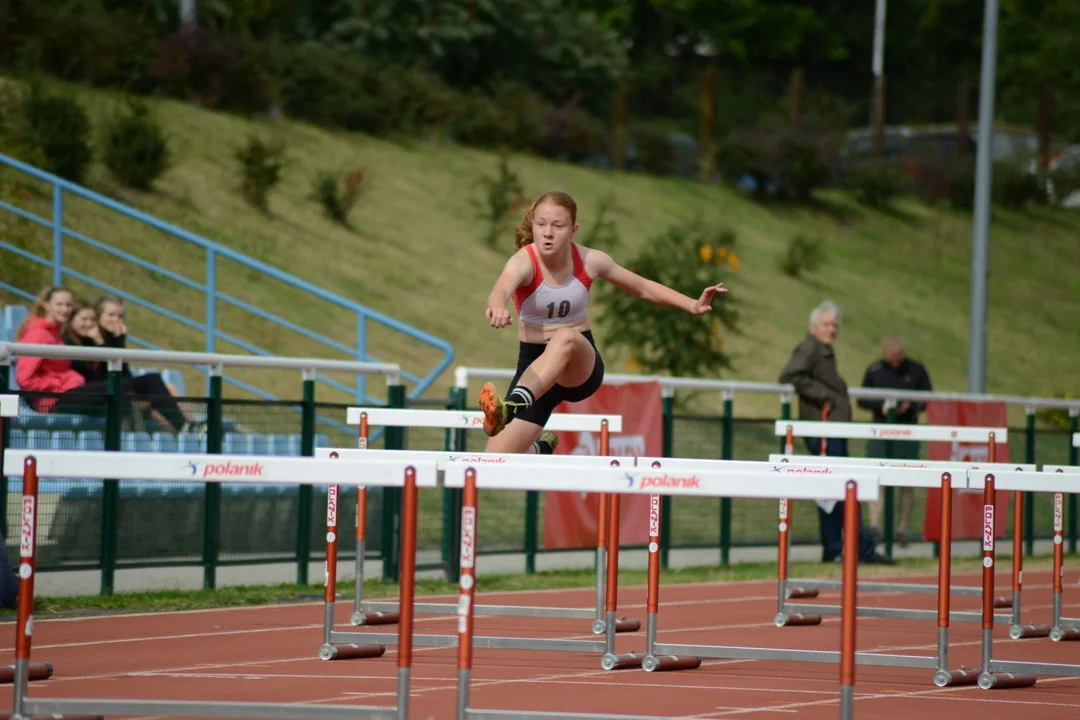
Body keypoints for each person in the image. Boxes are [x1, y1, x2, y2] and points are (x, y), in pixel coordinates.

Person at [477, 190, 726, 454]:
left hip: (579, 366)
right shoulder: (523, 262)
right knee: (493, 461)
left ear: (574, 229)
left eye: (557, 226)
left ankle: (512, 407)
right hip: (536, 368)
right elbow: (500, 289)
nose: (547, 233)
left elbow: (642, 287)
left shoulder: (590, 260)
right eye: (541, 225)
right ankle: (538, 450)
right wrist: (497, 307)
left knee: (565, 336)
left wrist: (692, 304)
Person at [778, 300, 892, 565]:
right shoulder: (809, 348)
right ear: (813, 326)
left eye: (834, 325)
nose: (831, 329)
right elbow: (789, 375)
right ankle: (852, 549)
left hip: (831, 429)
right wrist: (823, 396)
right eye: (826, 324)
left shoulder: (823, 350)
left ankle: (840, 549)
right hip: (823, 431)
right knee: (839, 491)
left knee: (833, 492)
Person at [15, 286, 197, 433]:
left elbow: (112, 374)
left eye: (68, 305)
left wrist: (117, 341)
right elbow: (25, 379)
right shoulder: (38, 334)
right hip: (53, 400)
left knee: (130, 393)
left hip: (69, 393)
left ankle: (180, 431)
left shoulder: (54, 334)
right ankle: (186, 428)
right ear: (47, 305)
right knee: (145, 383)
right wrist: (59, 383)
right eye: (60, 304)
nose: (65, 309)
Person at [857, 335, 934, 546]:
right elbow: (861, 398)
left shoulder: (916, 370)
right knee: (877, 478)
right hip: (881, 432)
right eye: (891, 360)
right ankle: (875, 523)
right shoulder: (875, 370)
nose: (895, 363)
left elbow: (929, 398)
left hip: (908, 433)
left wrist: (912, 406)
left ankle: (902, 527)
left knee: (907, 482)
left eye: (898, 359)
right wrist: (881, 406)